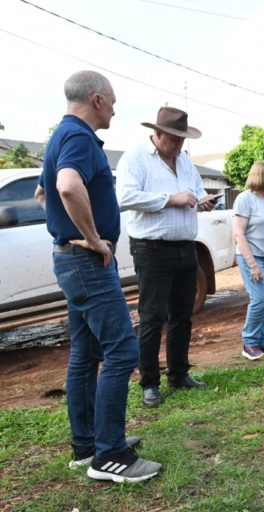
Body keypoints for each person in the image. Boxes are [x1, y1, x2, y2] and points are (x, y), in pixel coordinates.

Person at [35, 70, 161, 482]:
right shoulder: (78, 137)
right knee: (123, 351)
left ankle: (87, 445)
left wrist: (66, 229)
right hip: (88, 263)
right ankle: (111, 456)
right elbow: (67, 186)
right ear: (97, 100)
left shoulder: (60, 134)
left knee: (86, 355)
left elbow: (43, 194)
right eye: (113, 100)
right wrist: (91, 238)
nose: (115, 108)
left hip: (71, 260)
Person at [116, 107, 216, 408]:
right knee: (152, 316)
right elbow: (126, 197)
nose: (179, 145)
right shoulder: (135, 158)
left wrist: (202, 202)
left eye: (182, 140)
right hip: (152, 248)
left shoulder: (184, 161)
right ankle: (149, 382)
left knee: (182, 313)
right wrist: (170, 200)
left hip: (185, 245)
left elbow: (195, 192)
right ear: (157, 134)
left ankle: (178, 373)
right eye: (174, 139)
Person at [231, 161, 264, 360]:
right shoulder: (245, 199)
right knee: (260, 300)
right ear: (263, 177)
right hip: (253, 257)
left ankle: (263, 341)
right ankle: (249, 342)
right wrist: (252, 264)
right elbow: (238, 234)